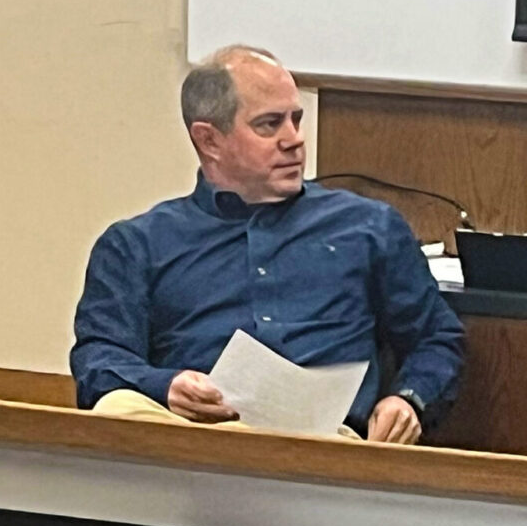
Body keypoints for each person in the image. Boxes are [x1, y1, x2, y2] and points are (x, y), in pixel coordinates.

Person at [71, 46, 464, 443]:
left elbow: (436, 337)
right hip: (190, 440)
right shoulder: (137, 245)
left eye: (296, 120)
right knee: (117, 407)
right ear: (209, 141)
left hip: (321, 445)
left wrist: (408, 400)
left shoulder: (368, 227)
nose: (293, 140)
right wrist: (165, 386)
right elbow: (98, 361)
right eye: (269, 125)